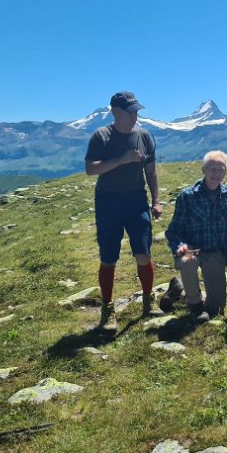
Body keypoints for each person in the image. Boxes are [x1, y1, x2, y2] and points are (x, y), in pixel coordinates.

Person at [85, 91, 163, 332]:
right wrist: (121, 159)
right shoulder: (102, 136)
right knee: (109, 257)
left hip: (136, 200)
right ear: (115, 113)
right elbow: (90, 169)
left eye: (136, 111)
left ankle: (148, 301)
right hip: (108, 201)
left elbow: (151, 171)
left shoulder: (144, 136)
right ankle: (107, 309)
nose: (135, 116)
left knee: (143, 252)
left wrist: (156, 200)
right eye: (131, 112)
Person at [164, 151, 227, 323]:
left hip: (215, 252)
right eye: (212, 169)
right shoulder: (187, 196)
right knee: (188, 262)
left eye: (221, 170)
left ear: (225, 171)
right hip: (192, 250)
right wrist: (180, 246)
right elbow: (173, 231)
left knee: (216, 308)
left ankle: (179, 289)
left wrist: (226, 252)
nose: (216, 174)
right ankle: (195, 307)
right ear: (204, 170)